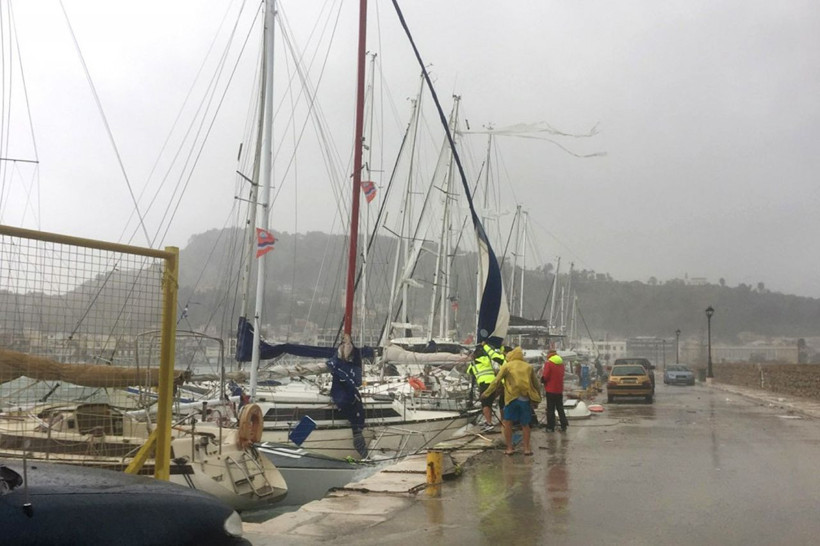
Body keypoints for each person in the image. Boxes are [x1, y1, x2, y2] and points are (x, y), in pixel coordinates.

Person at [481, 346, 542, 456]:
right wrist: (538, 398)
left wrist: (486, 393)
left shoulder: (507, 366)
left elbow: (496, 381)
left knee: (507, 423)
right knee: (525, 424)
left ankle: (509, 448)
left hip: (511, 399)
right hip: (525, 399)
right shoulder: (528, 367)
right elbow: (536, 384)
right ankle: (527, 449)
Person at [467, 345, 498, 432]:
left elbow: (469, 371)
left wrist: (471, 360)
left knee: (485, 404)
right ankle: (489, 421)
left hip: (484, 384)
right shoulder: (487, 360)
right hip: (493, 384)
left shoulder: (474, 363)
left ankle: (489, 424)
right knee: (489, 403)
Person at [541, 351, 569, 432]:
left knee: (550, 409)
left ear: (549, 355)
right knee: (560, 408)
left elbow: (546, 376)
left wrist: (542, 380)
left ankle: (550, 427)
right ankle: (564, 425)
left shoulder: (548, 363)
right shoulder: (561, 364)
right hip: (559, 390)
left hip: (550, 389)